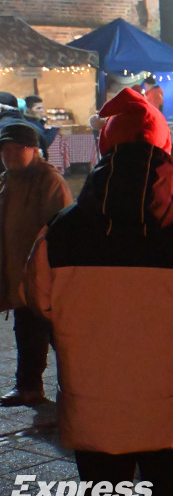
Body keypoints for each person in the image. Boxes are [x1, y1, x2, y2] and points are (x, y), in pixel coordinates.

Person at [22, 88, 173, 496]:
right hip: (169, 402)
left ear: (104, 152)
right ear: (165, 150)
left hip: (92, 400)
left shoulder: (63, 230)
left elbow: (39, 299)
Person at [0, 121, 71, 407]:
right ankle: (29, 386)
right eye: (6, 150)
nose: (11, 155)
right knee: (26, 330)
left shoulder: (48, 180)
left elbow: (59, 228)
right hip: (17, 270)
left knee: (56, 334)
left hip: (41, 273)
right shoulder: (7, 179)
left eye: (18, 149)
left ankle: (79, 387)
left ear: (34, 150)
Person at [22, 95, 59, 161]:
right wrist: (54, 129)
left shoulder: (33, 121)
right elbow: (45, 142)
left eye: (42, 108)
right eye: (38, 108)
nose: (42, 111)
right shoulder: (32, 123)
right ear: (29, 109)